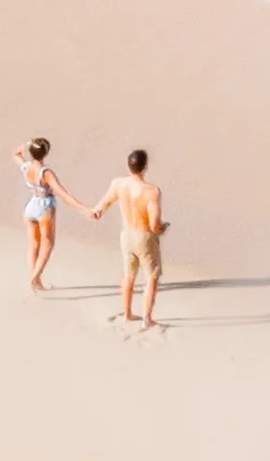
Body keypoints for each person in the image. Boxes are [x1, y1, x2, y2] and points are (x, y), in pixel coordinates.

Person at [89, 149, 168, 329]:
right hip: (144, 237)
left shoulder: (118, 184)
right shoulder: (152, 191)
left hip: (127, 235)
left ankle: (127, 313)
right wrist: (163, 227)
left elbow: (104, 203)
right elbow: (154, 224)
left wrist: (97, 210)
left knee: (129, 276)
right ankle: (147, 319)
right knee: (152, 277)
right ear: (145, 167)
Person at [11, 138, 95, 293]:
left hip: (31, 206)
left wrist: (26, 145)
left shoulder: (27, 167)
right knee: (47, 244)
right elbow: (63, 194)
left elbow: (16, 154)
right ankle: (34, 278)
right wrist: (84, 209)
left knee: (34, 244)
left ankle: (36, 280)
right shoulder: (46, 173)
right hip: (45, 207)